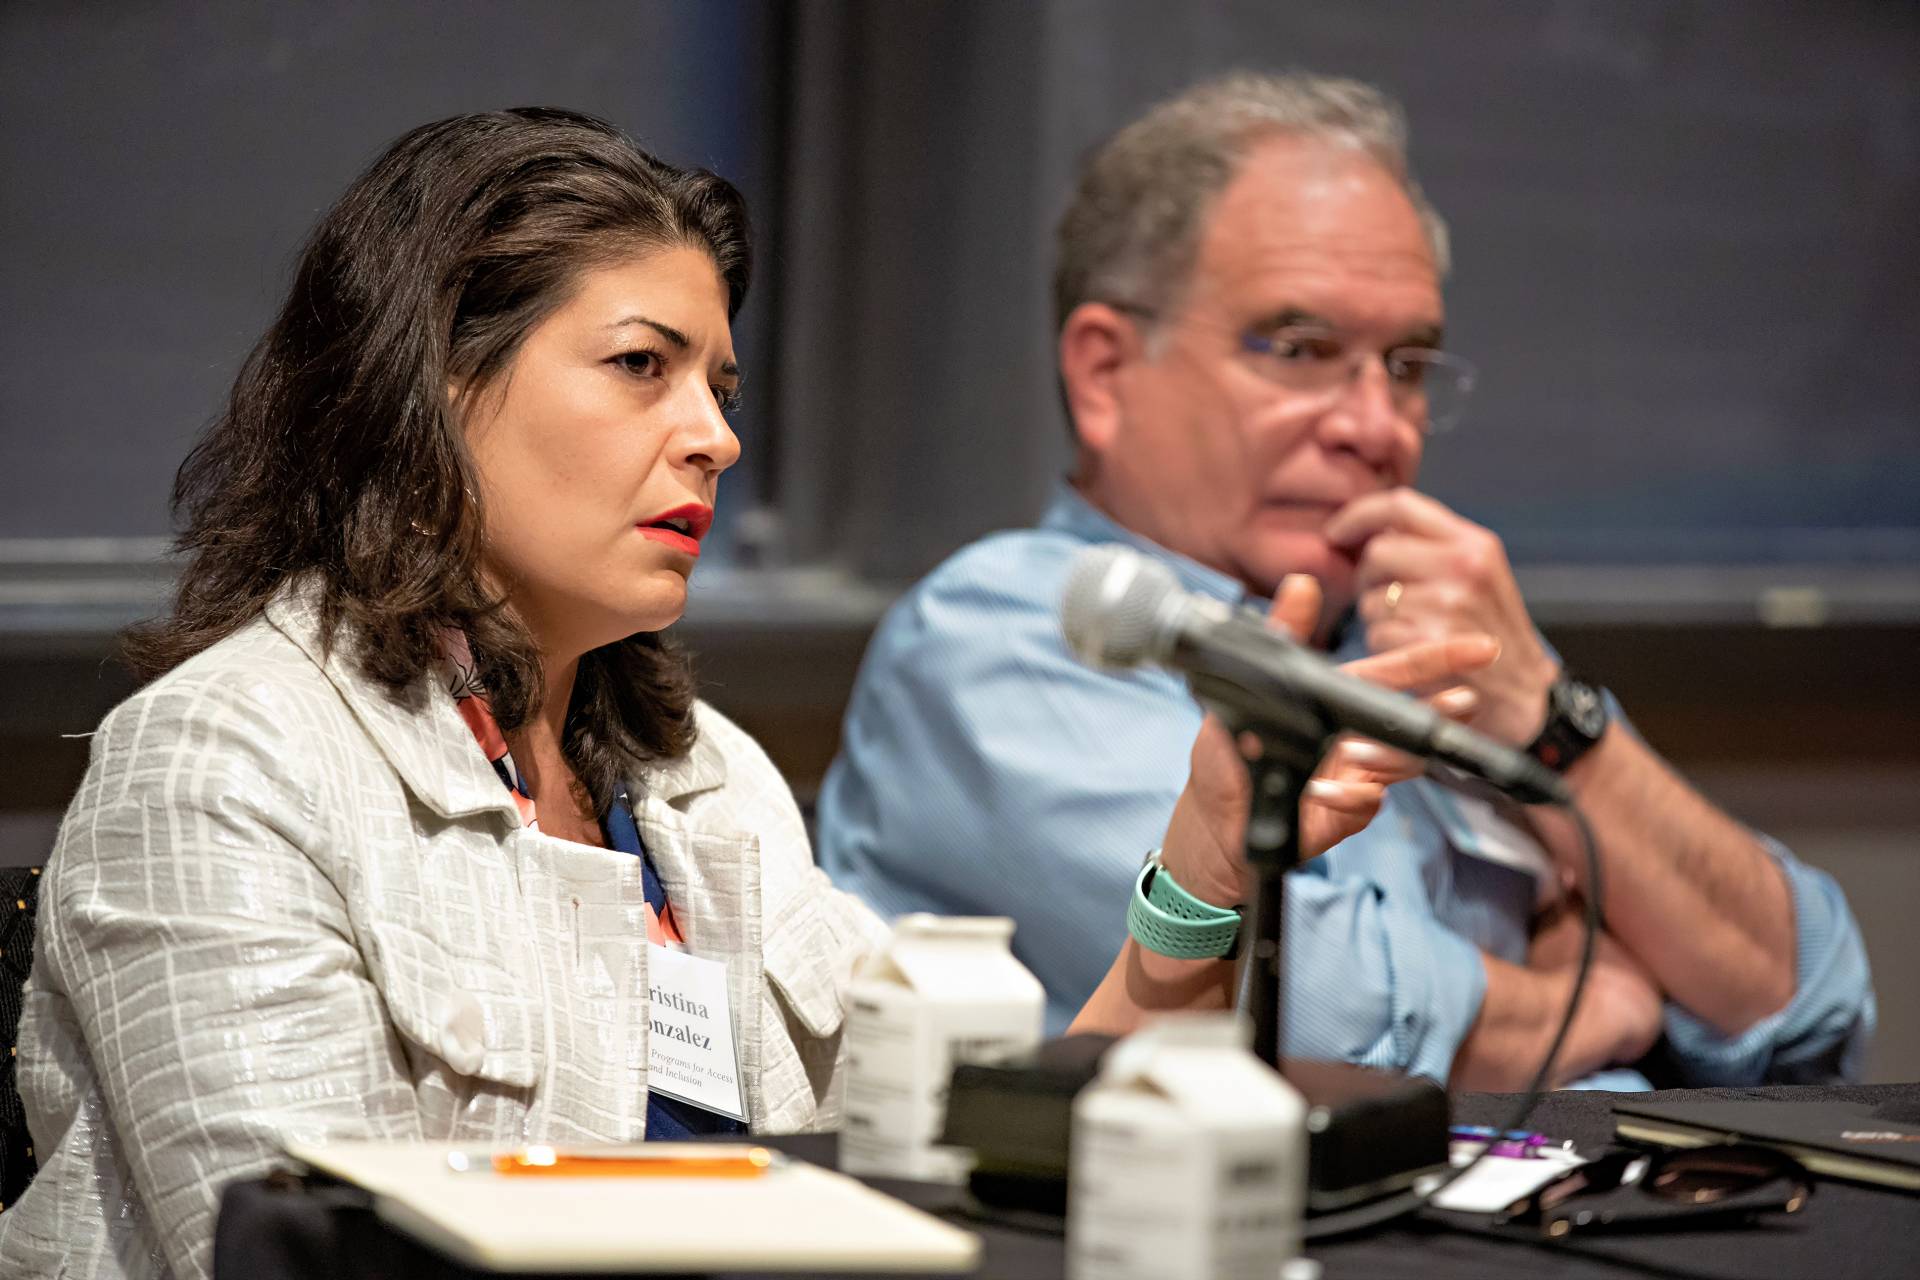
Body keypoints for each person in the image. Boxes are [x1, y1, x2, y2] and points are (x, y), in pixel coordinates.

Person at [0, 106, 1486, 1280]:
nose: (713, 437)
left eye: (719, 385)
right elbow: (287, 1257)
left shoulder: (697, 775)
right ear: (430, 389)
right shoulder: (223, 762)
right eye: (642, 367)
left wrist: (1207, 870)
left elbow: (979, 1160)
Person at [817, 72, 1875, 1091]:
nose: (1375, 427)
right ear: (1104, 372)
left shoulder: (1425, 629)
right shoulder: (1005, 629)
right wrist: (1607, 998)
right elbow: (1319, 1017)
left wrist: (1548, 719)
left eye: (1408, 366)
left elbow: (1810, 1001)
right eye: (1299, 348)